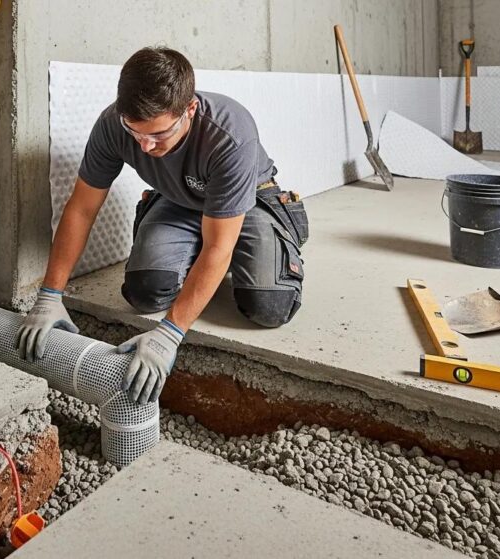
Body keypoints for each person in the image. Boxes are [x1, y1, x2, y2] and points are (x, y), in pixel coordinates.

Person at [16, 46, 308, 406]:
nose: (145, 145)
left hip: (247, 205)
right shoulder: (113, 124)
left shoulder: (230, 134)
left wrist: (170, 332)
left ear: (190, 110)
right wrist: (50, 295)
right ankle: (196, 251)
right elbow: (81, 209)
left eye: (158, 135)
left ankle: (273, 240)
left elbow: (219, 246)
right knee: (145, 292)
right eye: (136, 133)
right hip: (180, 200)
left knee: (269, 305)